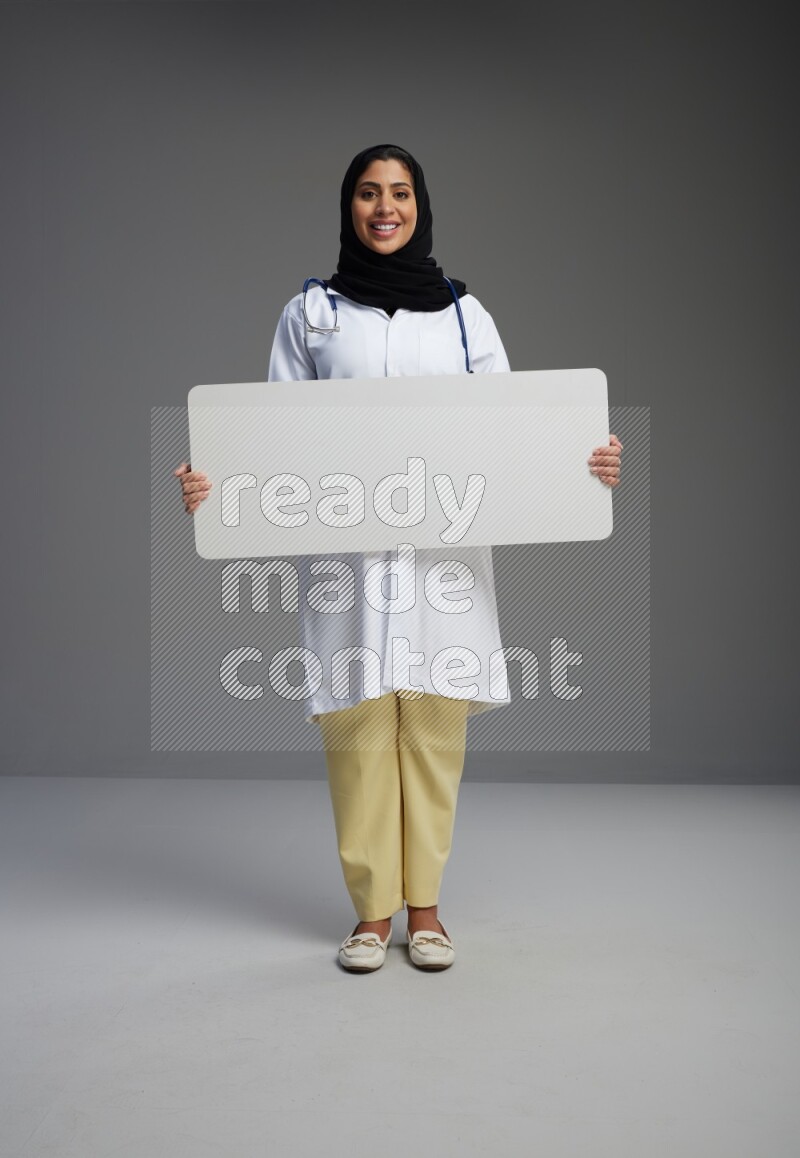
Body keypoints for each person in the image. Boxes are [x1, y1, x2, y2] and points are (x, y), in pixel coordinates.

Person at [174, 143, 623, 974]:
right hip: (345, 561)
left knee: (433, 731)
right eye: (370, 193)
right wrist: (218, 483)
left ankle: (427, 912)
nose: (386, 207)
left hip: (443, 561)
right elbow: (270, 435)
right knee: (357, 734)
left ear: (421, 206)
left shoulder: (464, 317)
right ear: (348, 206)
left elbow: (518, 430)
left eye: (401, 193)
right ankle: (371, 916)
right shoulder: (310, 315)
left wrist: (583, 463)